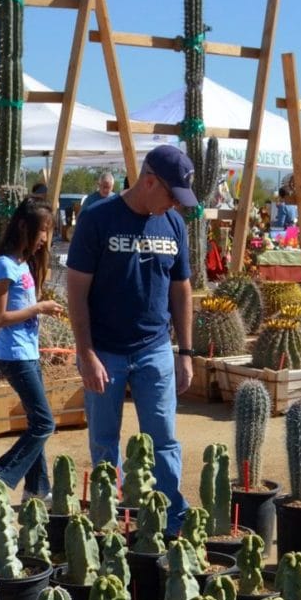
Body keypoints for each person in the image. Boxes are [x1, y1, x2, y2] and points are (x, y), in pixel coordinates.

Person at [66, 144, 195, 533]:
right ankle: (111, 521)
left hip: (154, 349)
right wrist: (86, 353)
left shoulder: (173, 225)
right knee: (105, 442)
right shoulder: (97, 219)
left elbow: (181, 290)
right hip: (105, 351)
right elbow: (76, 290)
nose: (175, 204)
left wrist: (185, 352)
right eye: (171, 195)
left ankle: (172, 520)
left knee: (164, 439)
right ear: (149, 181)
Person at [0, 199, 63, 499]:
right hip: (14, 354)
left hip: (28, 351)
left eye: (48, 232)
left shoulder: (24, 263)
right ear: (25, 227)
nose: (44, 239)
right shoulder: (4, 265)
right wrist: (39, 307)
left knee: (36, 423)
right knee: (44, 423)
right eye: (42, 231)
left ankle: (37, 489)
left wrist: (41, 309)